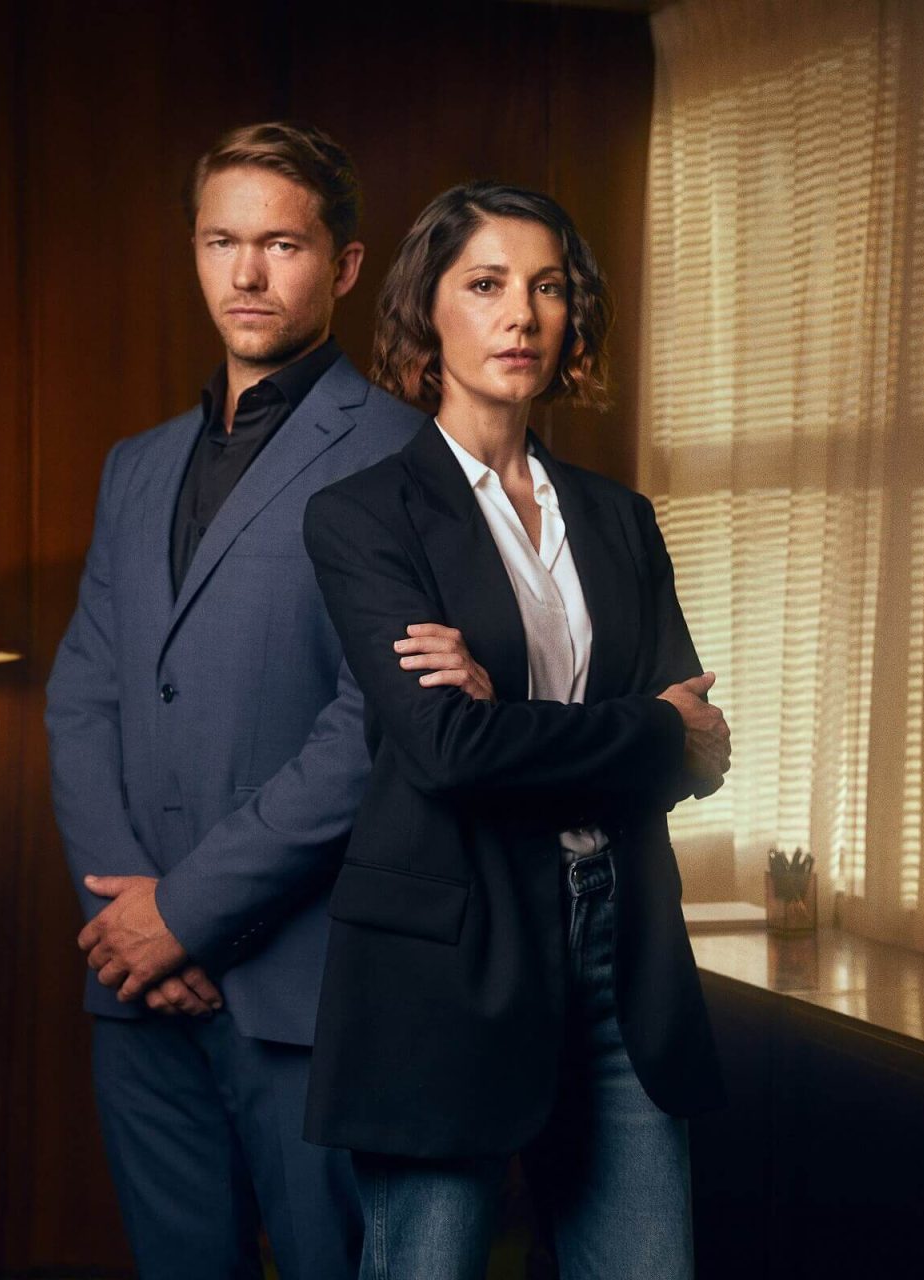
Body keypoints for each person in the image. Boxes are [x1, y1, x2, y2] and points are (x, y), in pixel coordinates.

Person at [298, 180, 731, 1279]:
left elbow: (699, 751)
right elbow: (448, 752)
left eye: (548, 287)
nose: (522, 315)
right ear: (427, 311)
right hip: (453, 957)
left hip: (623, 946)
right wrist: (637, 730)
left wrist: (514, 716)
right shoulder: (362, 517)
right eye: (487, 284)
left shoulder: (620, 517)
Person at [45, 122, 427, 1280]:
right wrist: (135, 925)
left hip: (304, 992)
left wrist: (189, 913)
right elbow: (83, 695)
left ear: (344, 266)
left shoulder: (406, 455)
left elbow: (372, 727)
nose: (247, 273)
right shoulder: (136, 464)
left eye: (282, 244)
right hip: (135, 989)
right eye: (221, 241)